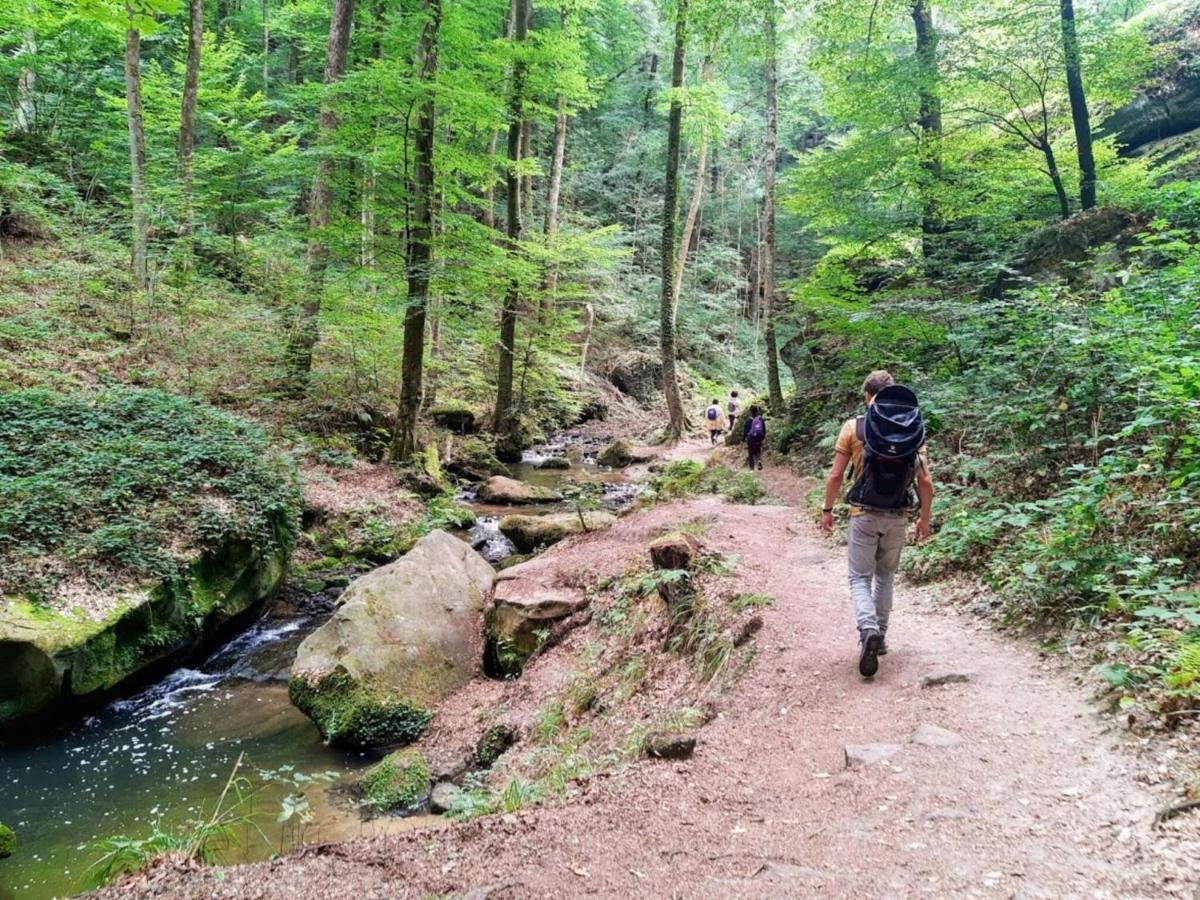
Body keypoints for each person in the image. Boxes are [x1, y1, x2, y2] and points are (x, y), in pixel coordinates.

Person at [820, 370, 933, 678]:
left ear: (868, 396)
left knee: (859, 578)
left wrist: (827, 509)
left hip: (863, 514)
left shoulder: (854, 426)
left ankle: (868, 629)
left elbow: (834, 476)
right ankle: (880, 636)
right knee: (885, 576)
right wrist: (924, 518)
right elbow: (925, 481)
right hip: (898, 515)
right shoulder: (914, 428)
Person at [743, 405, 766, 469]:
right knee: (758, 451)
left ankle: (752, 468)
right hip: (759, 437)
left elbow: (745, 431)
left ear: (750, 411)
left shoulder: (748, 420)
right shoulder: (761, 419)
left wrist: (743, 438)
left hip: (751, 438)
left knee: (751, 452)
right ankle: (759, 461)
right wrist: (763, 437)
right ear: (757, 411)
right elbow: (764, 429)